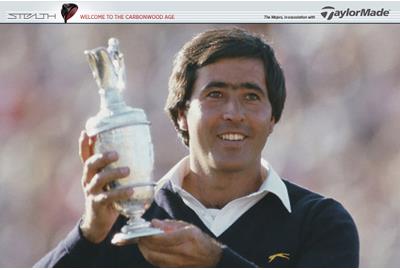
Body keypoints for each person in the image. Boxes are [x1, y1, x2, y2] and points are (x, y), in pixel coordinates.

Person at [34, 28, 359, 267]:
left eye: (251, 96)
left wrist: (215, 260)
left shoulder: (321, 222)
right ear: (181, 115)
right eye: (215, 95)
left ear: (273, 118)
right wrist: (89, 233)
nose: (233, 113)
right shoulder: (125, 226)